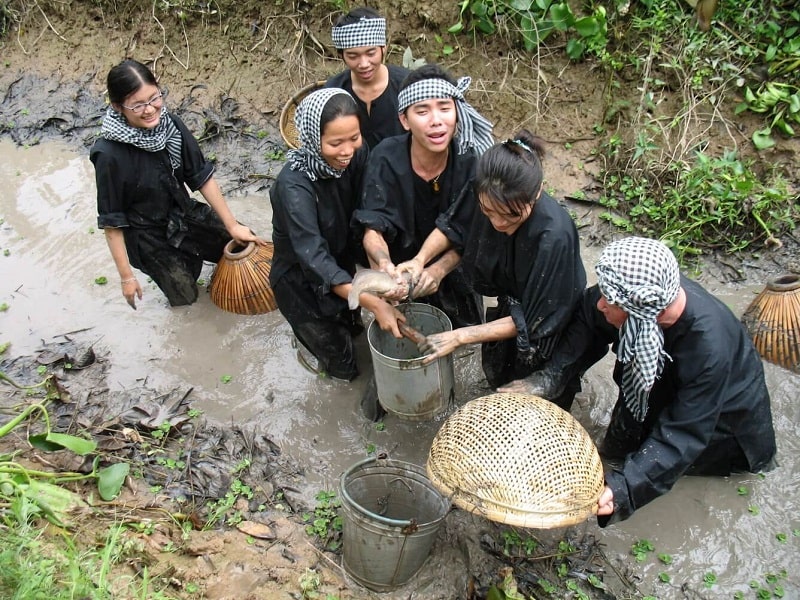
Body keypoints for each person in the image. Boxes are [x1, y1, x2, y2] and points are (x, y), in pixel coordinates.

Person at [514, 236, 777, 526]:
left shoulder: (708, 349)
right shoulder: (640, 297)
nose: (601, 304)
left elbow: (683, 434)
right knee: (620, 446)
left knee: (660, 464)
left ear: (641, 313)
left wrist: (624, 488)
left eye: (610, 301)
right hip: (659, 392)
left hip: (722, 428)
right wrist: (550, 378)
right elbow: (590, 316)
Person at [408, 132, 587, 409]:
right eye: (488, 211)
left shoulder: (553, 238)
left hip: (550, 321)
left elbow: (533, 320)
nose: (497, 223)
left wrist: (460, 336)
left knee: (536, 400)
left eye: (511, 215)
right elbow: (455, 228)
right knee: (499, 378)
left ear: (536, 193)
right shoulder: (484, 188)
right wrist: (421, 262)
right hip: (512, 302)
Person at [90, 59, 266, 308]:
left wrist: (232, 224)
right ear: (119, 107)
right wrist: (126, 278)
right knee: (186, 297)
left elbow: (202, 177)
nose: (150, 109)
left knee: (243, 242)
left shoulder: (170, 125)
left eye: (154, 98)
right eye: (138, 104)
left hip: (183, 213)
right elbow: (112, 222)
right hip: (148, 237)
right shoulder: (109, 155)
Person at [269, 87, 404, 382]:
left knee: (354, 328)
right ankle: (323, 357)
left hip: (341, 266)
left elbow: (369, 206)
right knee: (343, 368)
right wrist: (375, 302)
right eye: (335, 143)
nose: (346, 151)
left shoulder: (357, 155)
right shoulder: (293, 187)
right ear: (311, 139)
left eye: (354, 138)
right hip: (301, 285)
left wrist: (380, 267)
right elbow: (313, 257)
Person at [351, 63, 494, 330]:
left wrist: (437, 271)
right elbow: (372, 227)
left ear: (457, 113)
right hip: (401, 270)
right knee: (403, 331)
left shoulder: (471, 162)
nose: (436, 120)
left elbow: (474, 235)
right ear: (404, 120)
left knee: (464, 336)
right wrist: (384, 264)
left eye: (444, 107)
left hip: (454, 267)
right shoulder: (385, 158)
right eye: (422, 111)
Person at [325, 7, 410, 149]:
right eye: (353, 56)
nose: (364, 64)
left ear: (384, 48)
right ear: (342, 56)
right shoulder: (333, 91)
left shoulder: (408, 85)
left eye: (371, 53)